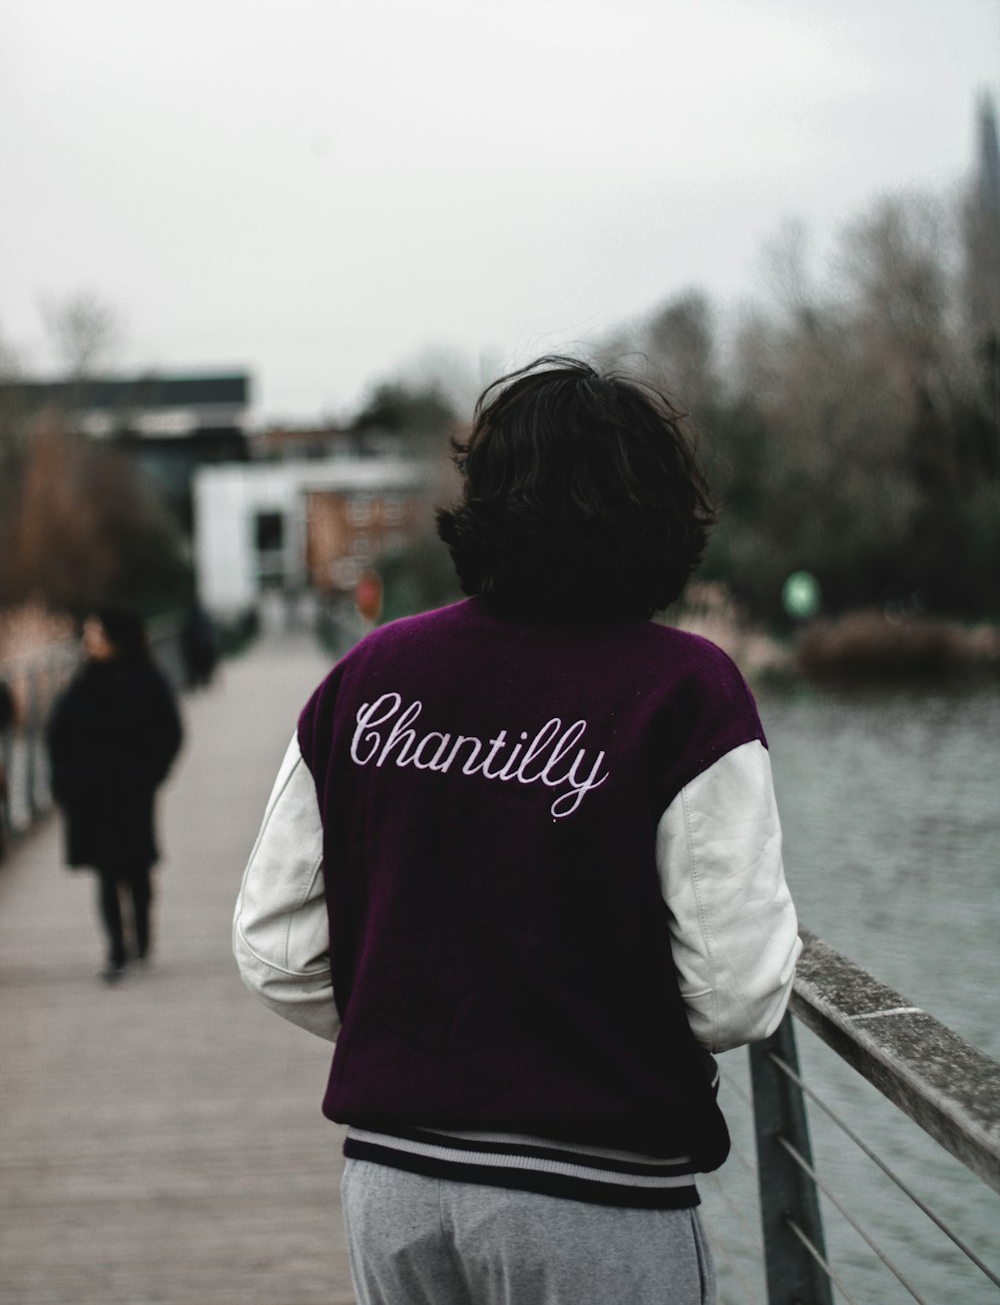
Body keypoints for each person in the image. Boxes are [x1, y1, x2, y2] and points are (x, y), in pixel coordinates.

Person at [234, 358, 801, 1305]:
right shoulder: (686, 691)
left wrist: (423, 1029)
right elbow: (737, 993)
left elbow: (274, 946)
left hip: (395, 1183)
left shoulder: (370, 674)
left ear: (486, 500)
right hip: (597, 1194)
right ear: (658, 509)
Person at [48, 607, 183, 983]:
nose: (88, 641)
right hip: (92, 796)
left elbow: (171, 732)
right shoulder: (82, 682)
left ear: (114, 638)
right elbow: (57, 736)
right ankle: (116, 951)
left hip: (132, 792)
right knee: (107, 874)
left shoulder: (147, 680)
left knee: (137, 870)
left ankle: (141, 934)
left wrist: (150, 775)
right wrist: (65, 782)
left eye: (95, 634)